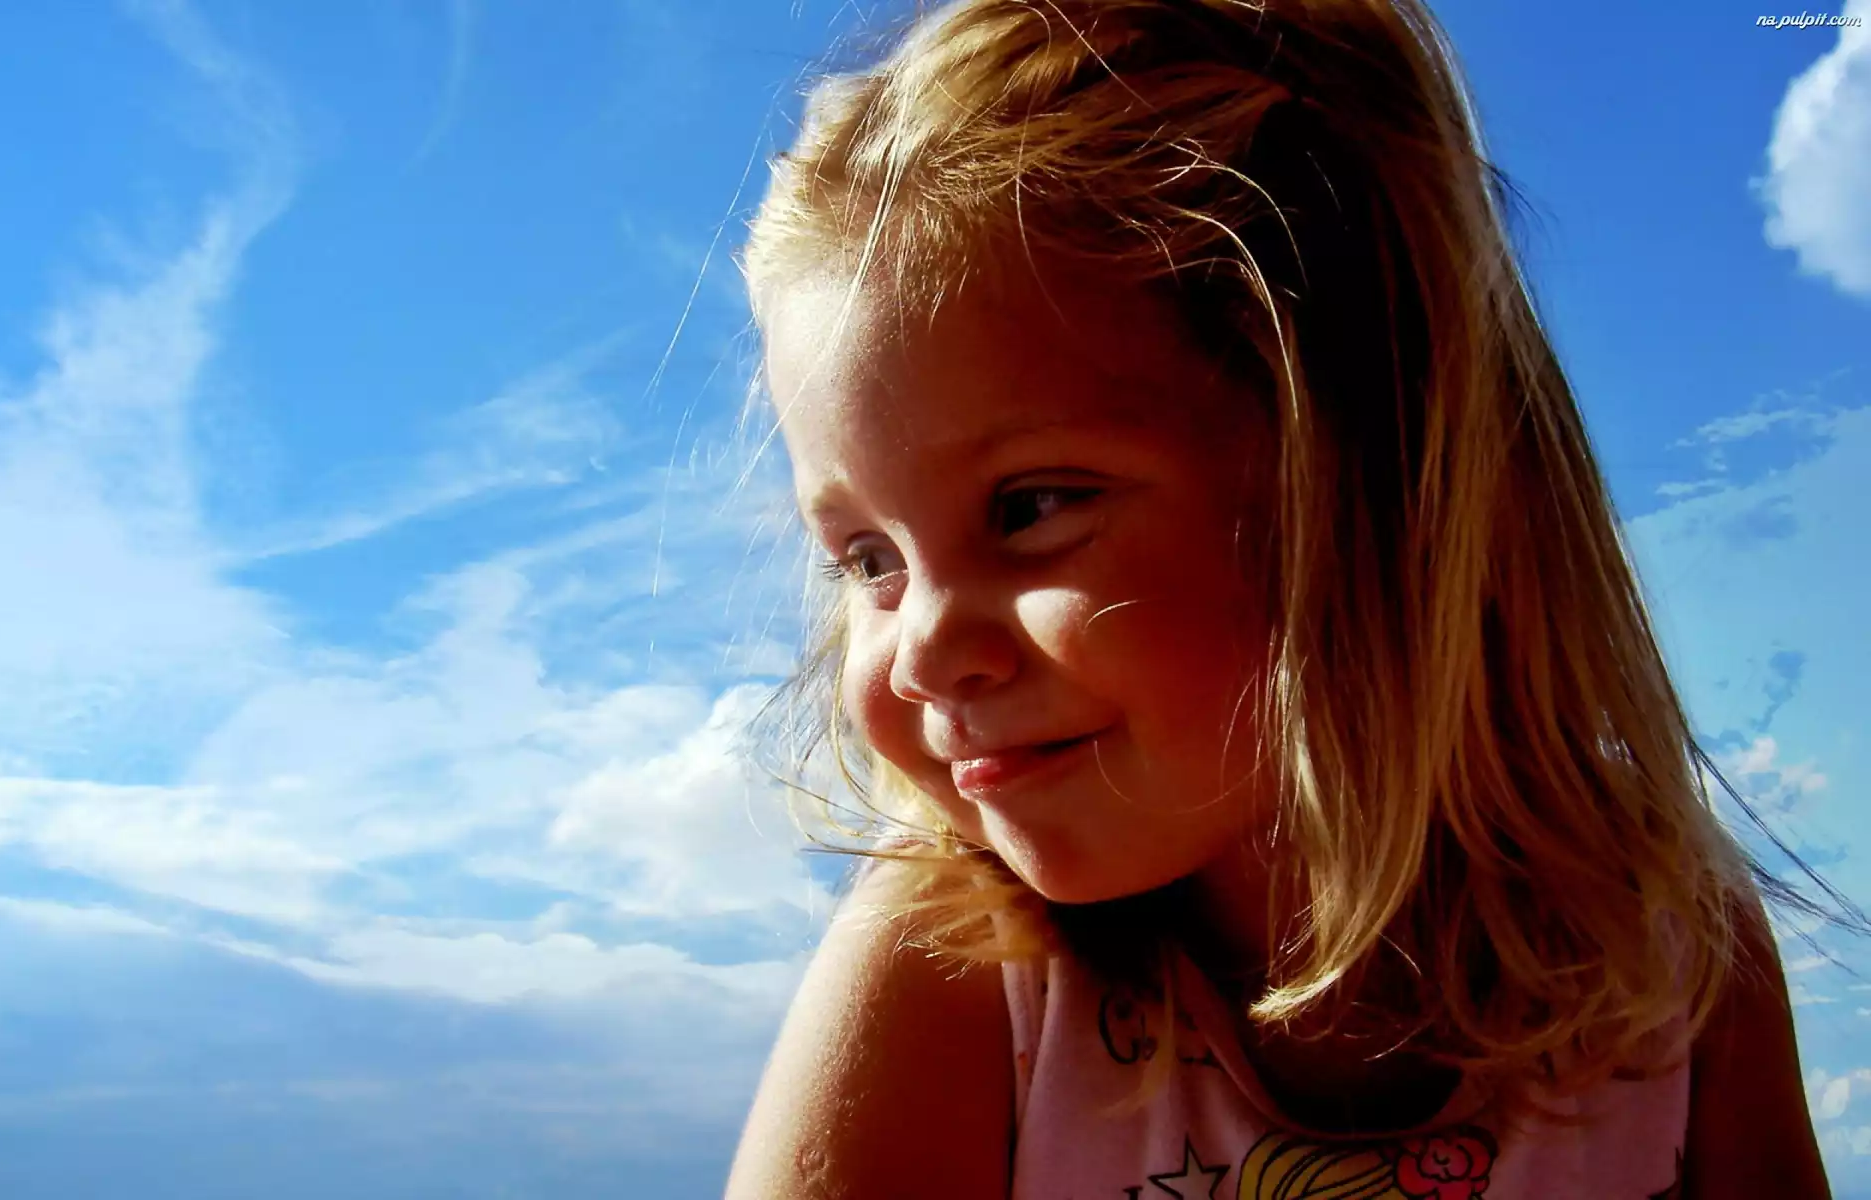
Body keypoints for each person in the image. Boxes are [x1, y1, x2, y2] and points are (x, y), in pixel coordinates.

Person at [721, 1, 1849, 1196]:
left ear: (1374, 476)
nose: (923, 653)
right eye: (868, 560)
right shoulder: (956, 965)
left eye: (1032, 505)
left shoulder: (1668, 955)